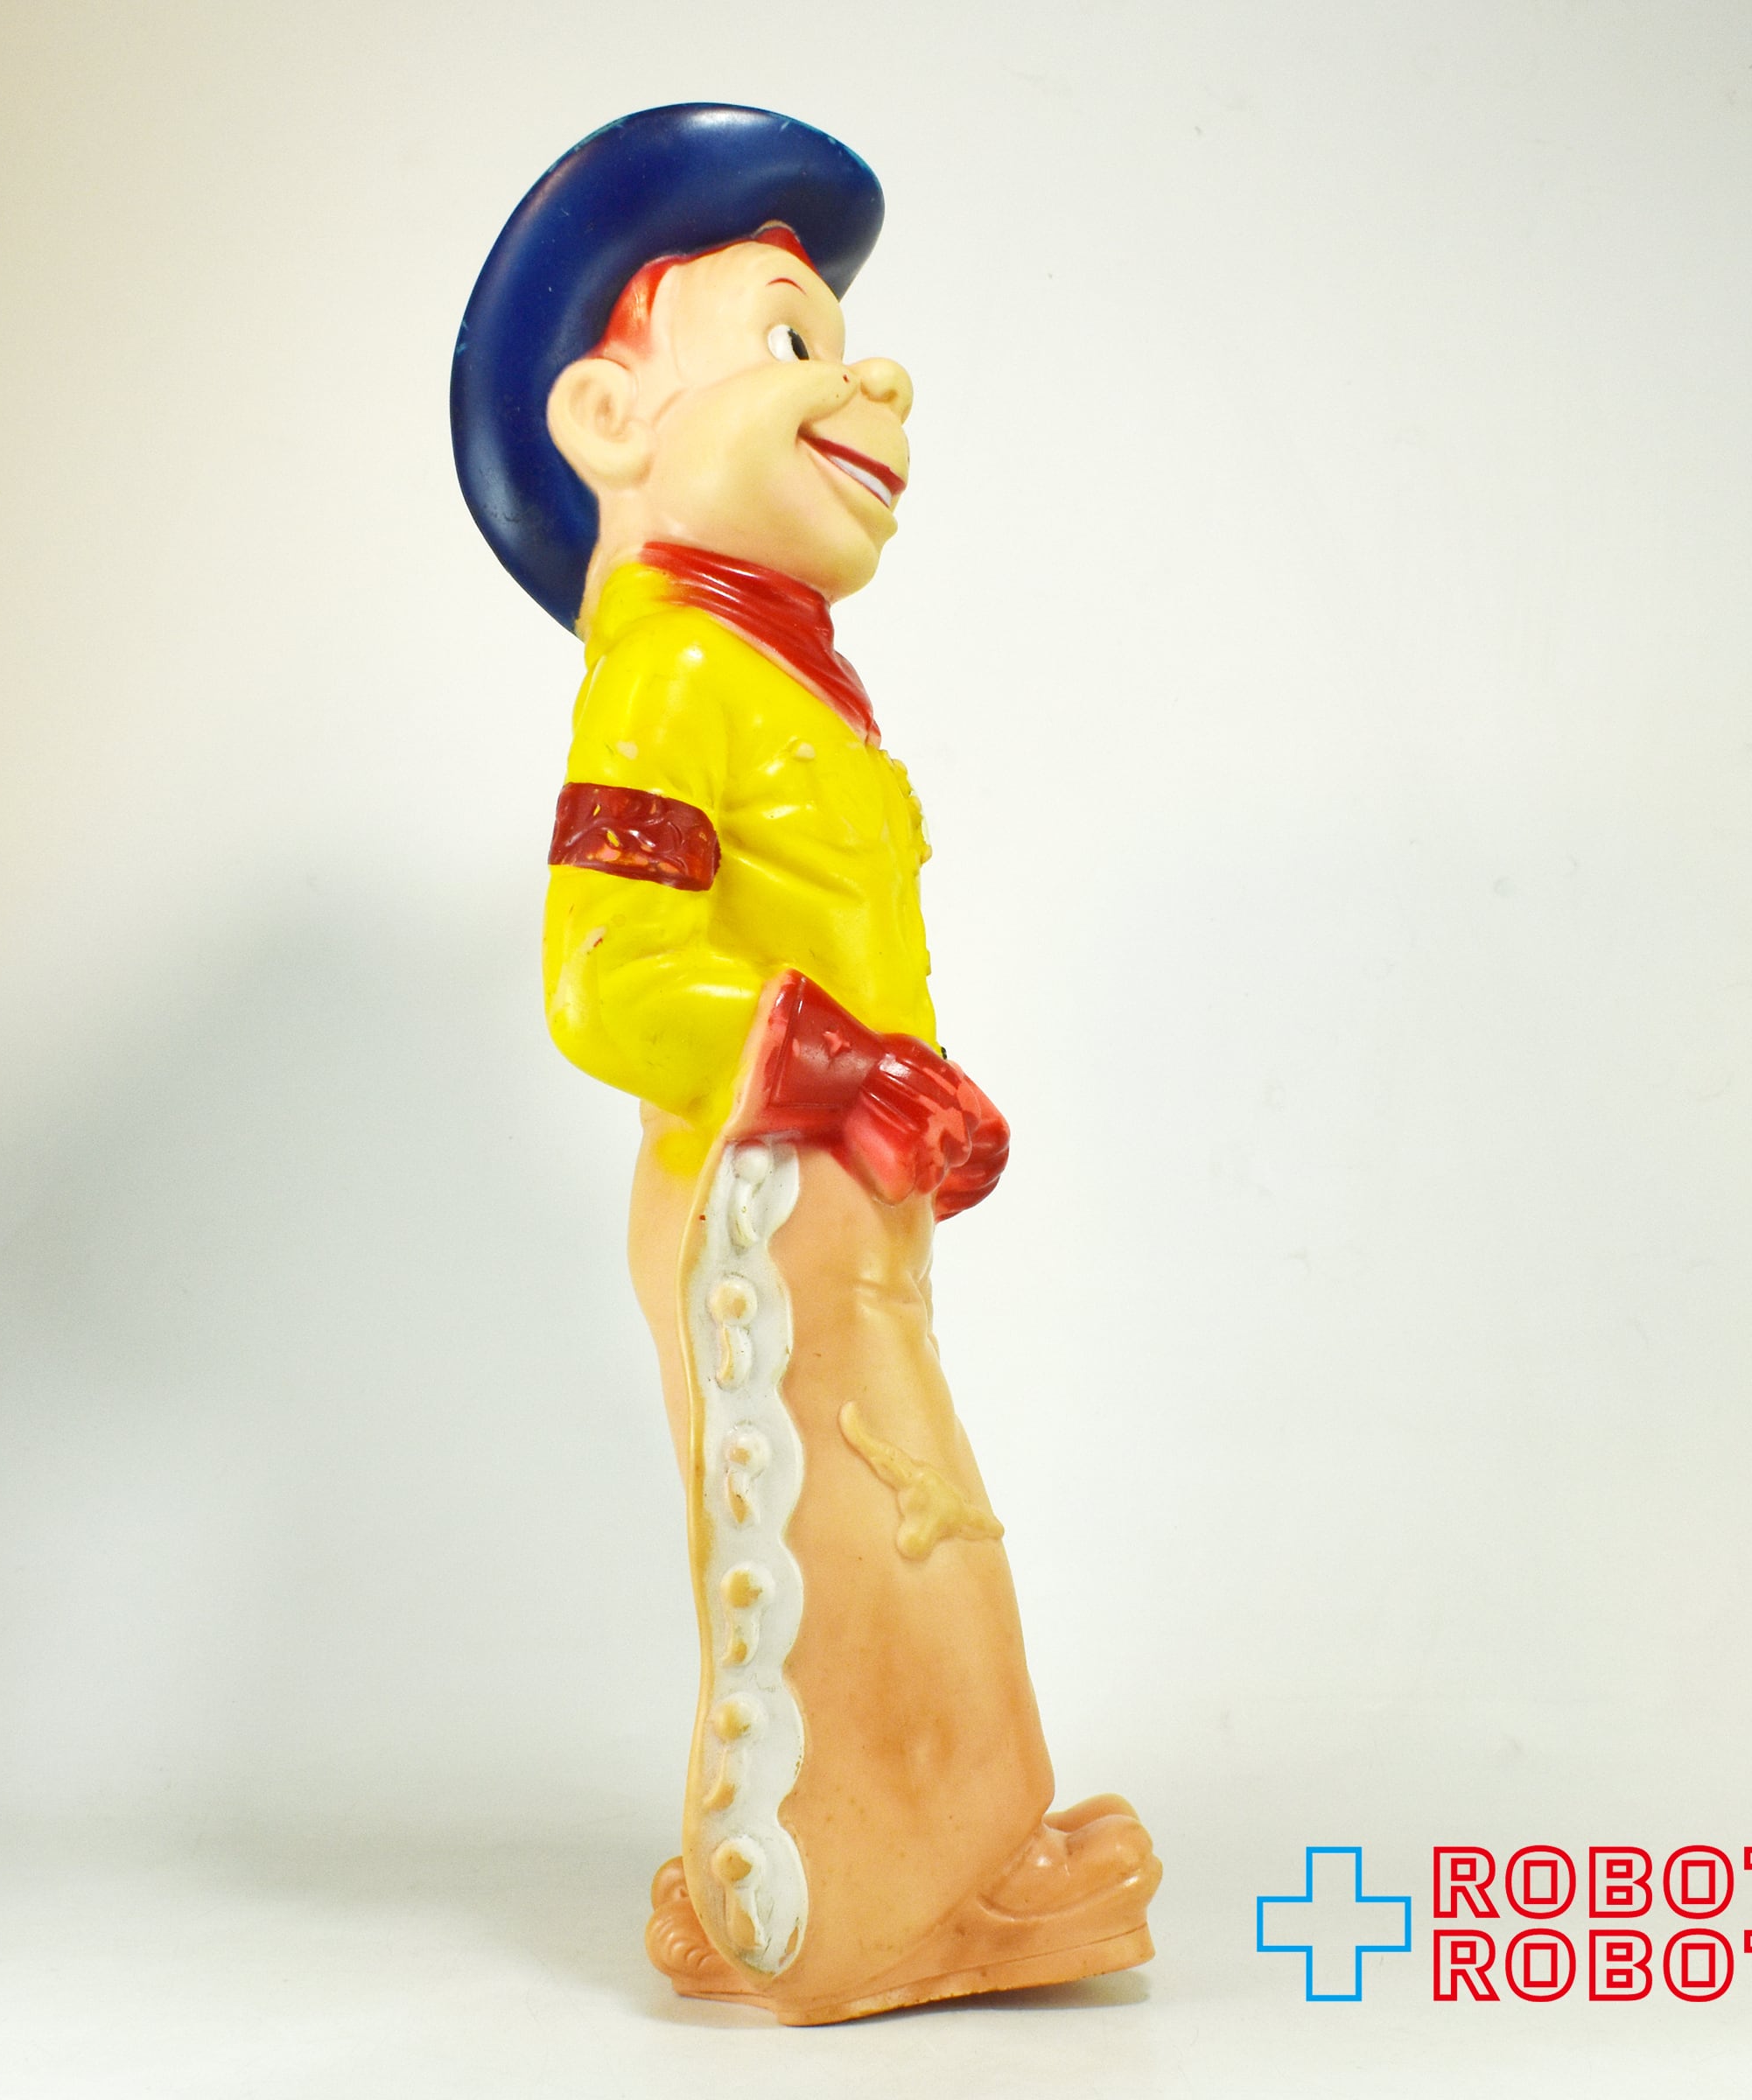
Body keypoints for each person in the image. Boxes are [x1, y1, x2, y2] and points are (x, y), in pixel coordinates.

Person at [452, 103, 1159, 2024]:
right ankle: (865, 1912)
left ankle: (839, 1865)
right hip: (764, 1181)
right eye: (790, 343)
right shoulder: (671, 669)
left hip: (834, 1183)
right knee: (860, 1530)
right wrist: (840, 1073)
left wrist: (892, 1103)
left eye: (846, 347)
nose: (872, 382)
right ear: (613, 422)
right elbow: (605, 977)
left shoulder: (773, 672)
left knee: (888, 1516)